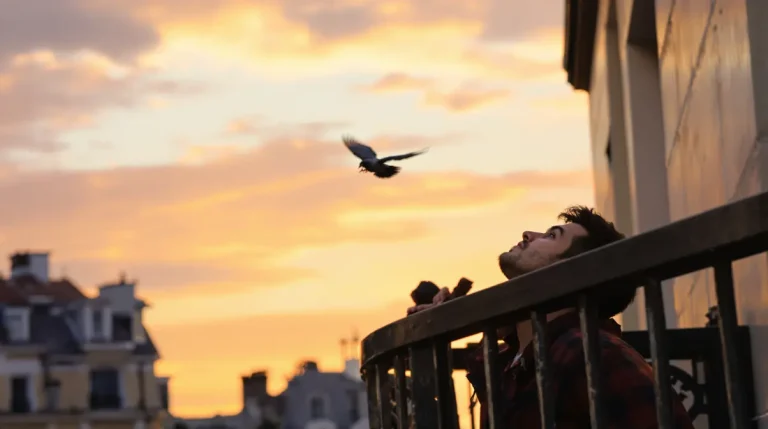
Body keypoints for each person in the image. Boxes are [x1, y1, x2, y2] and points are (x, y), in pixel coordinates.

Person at [408, 206, 694, 429]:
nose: (528, 234)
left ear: (577, 271)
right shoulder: (510, 360)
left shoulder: (594, 354)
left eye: (551, 235)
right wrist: (452, 321)